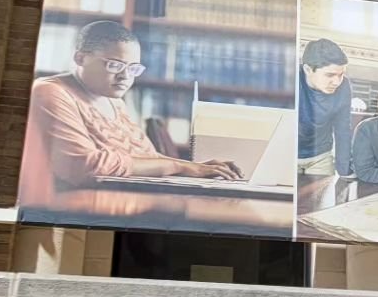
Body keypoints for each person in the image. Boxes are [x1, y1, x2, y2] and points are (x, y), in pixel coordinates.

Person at [20, 19, 242, 209]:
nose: (125, 77)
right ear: (80, 58)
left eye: (133, 68)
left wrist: (199, 167)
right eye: (114, 65)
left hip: (123, 201)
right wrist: (179, 165)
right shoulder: (50, 91)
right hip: (78, 207)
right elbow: (83, 166)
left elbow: (147, 158)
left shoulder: (113, 99)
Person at [296, 37, 353, 182]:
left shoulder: (344, 86)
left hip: (321, 158)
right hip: (288, 155)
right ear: (308, 69)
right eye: (329, 75)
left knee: (319, 202)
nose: (336, 82)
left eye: (340, 75)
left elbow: (343, 130)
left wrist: (344, 171)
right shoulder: (292, 80)